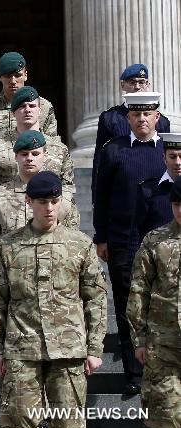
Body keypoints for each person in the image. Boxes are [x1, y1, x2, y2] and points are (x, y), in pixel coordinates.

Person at [0, 171, 107, 428]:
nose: (49, 208)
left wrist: (95, 348)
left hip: (68, 351)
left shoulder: (80, 245)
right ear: (29, 201)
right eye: (42, 202)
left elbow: (95, 298)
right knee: (18, 426)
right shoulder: (9, 246)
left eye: (54, 201)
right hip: (21, 350)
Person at [93, 91, 167, 396]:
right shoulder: (114, 151)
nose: (141, 119)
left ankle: (162, 369)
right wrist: (101, 236)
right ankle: (134, 374)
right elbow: (101, 196)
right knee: (127, 309)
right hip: (124, 241)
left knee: (161, 306)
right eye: (135, 115)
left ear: (157, 117)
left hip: (164, 246)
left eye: (147, 114)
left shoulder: (171, 150)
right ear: (128, 119)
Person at [0, 130, 81, 281]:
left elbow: (74, 242)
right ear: (16, 157)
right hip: (13, 281)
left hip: (55, 281)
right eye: (24, 154)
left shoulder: (62, 197)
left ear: (45, 156)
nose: (29, 158)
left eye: (35, 154)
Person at [0, 51, 58, 223]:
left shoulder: (43, 107)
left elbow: (51, 151)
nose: (13, 81)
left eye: (17, 75)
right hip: (0, 192)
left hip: (37, 192)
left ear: (25, 74)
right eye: (7, 76)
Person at [128, 177, 181, 428]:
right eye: (176, 204)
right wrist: (139, 338)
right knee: (163, 423)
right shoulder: (155, 241)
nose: (180, 210)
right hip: (164, 347)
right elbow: (139, 291)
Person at [0, 86, 74, 202]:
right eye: (22, 106)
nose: (28, 110)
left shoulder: (59, 149)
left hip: (47, 215)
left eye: (32, 106)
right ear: (13, 113)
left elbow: (67, 191)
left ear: (40, 110)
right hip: (11, 213)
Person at [92, 63, 171, 198]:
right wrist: (97, 195)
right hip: (122, 187)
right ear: (123, 86)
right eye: (132, 82)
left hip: (154, 189)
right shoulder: (110, 118)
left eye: (142, 82)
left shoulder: (162, 121)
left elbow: (167, 157)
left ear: (148, 85)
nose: (138, 86)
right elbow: (100, 160)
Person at [133, 133, 181, 247]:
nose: (178, 162)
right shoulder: (147, 190)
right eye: (173, 157)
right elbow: (134, 232)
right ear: (164, 158)